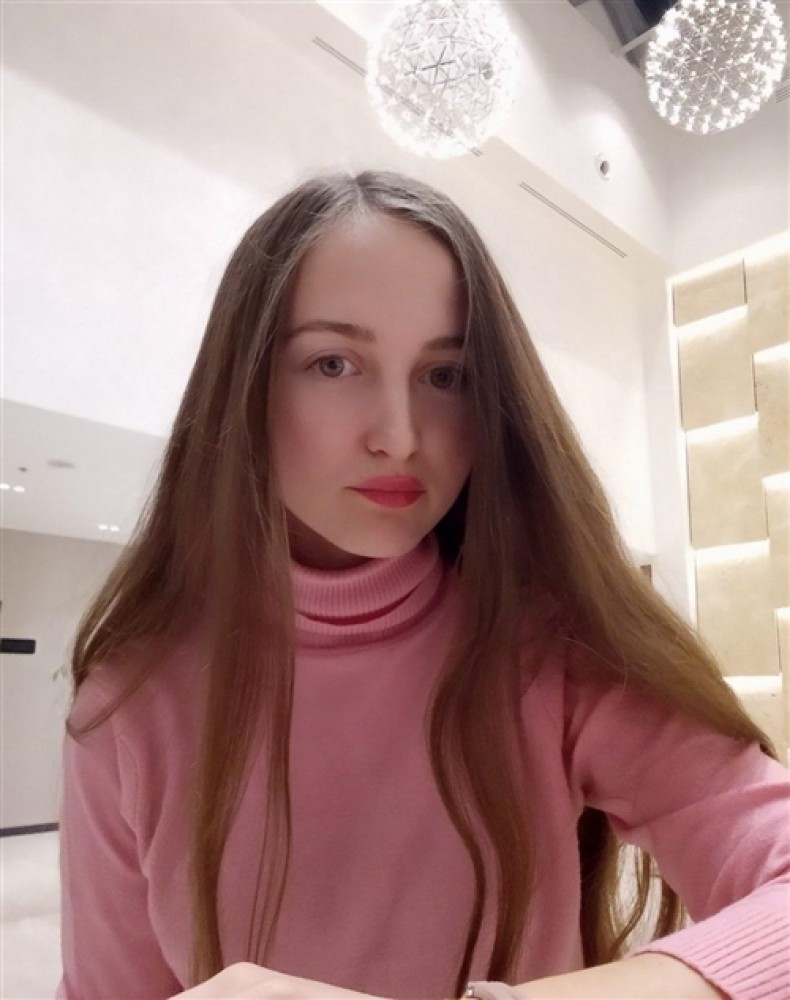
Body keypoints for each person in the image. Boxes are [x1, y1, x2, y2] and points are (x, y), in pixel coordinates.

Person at [56, 169, 790, 1000]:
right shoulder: (129, 699)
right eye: (334, 363)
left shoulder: (548, 648)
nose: (400, 437)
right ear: (245, 383)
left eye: (446, 376)